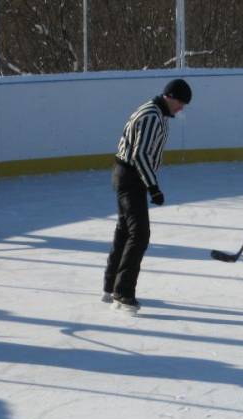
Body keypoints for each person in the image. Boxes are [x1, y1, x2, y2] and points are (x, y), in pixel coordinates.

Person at [103, 79, 192, 313]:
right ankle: (123, 292)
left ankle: (112, 285)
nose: (181, 108)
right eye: (180, 103)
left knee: (125, 230)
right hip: (132, 177)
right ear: (170, 97)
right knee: (139, 234)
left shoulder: (154, 112)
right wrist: (153, 187)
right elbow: (141, 155)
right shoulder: (152, 116)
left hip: (127, 175)